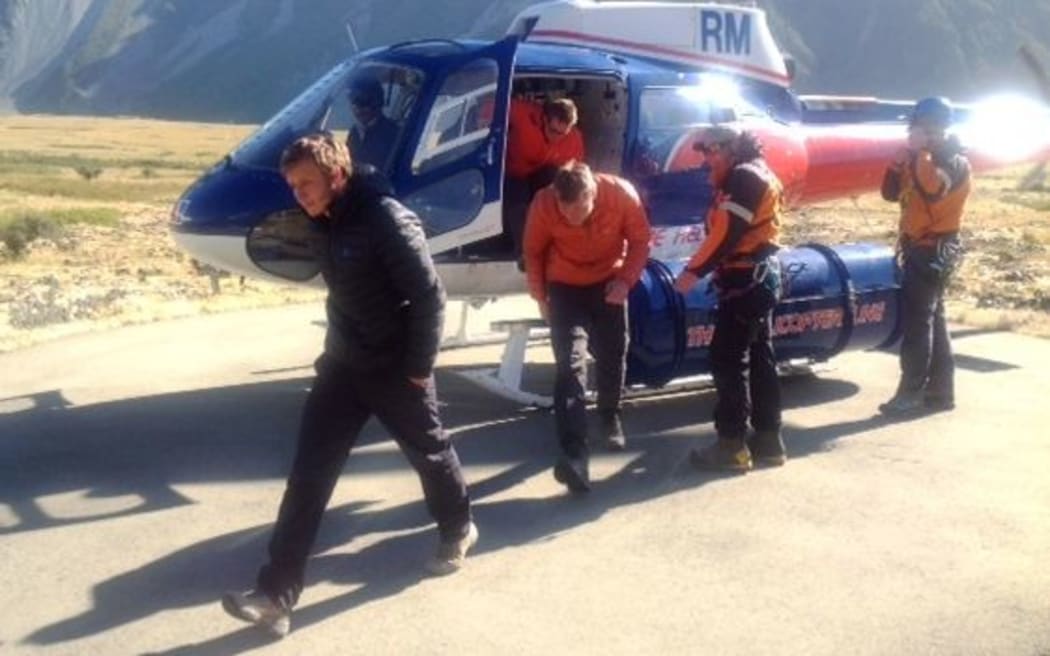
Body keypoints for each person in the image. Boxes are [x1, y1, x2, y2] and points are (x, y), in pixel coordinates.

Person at [221, 133, 476, 638]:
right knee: (309, 477)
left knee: (428, 451)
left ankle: (458, 526)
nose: (300, 195)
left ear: (336, 174)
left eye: (307, 184)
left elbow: (429, 296)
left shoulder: (385, 218)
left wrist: (419, 368)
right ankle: (276, 594)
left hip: (396, 366)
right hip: (342, 366)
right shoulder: (325, 219)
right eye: (293, 186)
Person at [523, 161, 651, 492]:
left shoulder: (621, 194)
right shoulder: (543, 203)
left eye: (580, 213)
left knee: (613, 351)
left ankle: (610, 415)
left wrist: (625, 281)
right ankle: (575, 453)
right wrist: (541, 300)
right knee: (570, 364)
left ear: (592, 193)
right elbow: (533, 252)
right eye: (566, 216)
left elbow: (640, 240)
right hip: (564, 285)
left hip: (610, 280)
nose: (573, 221)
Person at [673, 125, 786, 472]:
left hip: (746, 282)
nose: (706, 159)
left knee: (726, 359)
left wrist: (693, 272)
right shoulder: (751, 174)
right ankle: (768, 441)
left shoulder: (744, 178)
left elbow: (727, 233)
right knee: (759, 357)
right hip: (757, 279)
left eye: (709, 151)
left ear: (729, 148)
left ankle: (731, 446)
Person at [878, 97, 970, 415]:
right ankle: (940, 393)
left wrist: (919, 154)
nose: (915, 131)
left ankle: (911, 392)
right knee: (935, 318)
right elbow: (890, 194)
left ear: (934, 127)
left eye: (920, 126)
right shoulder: (924, 157)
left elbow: (931, 189)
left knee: (918, 321)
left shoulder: (951, 162)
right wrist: (897, 163)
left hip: (933, 249)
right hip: (921, 246)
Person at [504, 97, 586, 260]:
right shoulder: (524, 114)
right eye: (553, 131)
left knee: (559, 187)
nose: (557, 138)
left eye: (563, 133)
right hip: (511, 171)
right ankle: (525, 252)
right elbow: (489, 104)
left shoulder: (574, 140)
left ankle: (556, 246)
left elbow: (576, 174)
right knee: (517, 198)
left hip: (539, 174)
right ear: (544, 119)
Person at [347, 76, 400, 171]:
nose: (358, 108)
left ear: (378, 102)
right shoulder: (354, 132)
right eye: (353, 101)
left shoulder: (393, 134)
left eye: (364, 101)